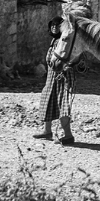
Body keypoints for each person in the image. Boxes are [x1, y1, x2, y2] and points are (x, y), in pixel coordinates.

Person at [33, 13, 80, 143]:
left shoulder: (65, 41)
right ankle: (47, 131)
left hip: (64, 78)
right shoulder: (54, 41)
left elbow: (75, 58)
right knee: (47, 102)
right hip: (51, 78)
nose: (54, 27)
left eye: (57, 25)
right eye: (52, 25)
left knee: (63, 106)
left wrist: (68, 67)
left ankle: (68, 135)